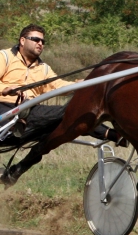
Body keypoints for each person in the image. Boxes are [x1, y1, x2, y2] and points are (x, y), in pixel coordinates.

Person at [0, 24, 129, 186]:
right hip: (5, 109)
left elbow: (59, 86)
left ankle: (15, 171)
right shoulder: (5, 57)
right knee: (71, 112)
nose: (40, 43)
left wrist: (80, 84)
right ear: (22, 40)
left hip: (31, 113)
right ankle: (112, 135)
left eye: (43, 41)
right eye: (36, 39)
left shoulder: (44, 69)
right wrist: (6, 89)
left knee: (72, 119)